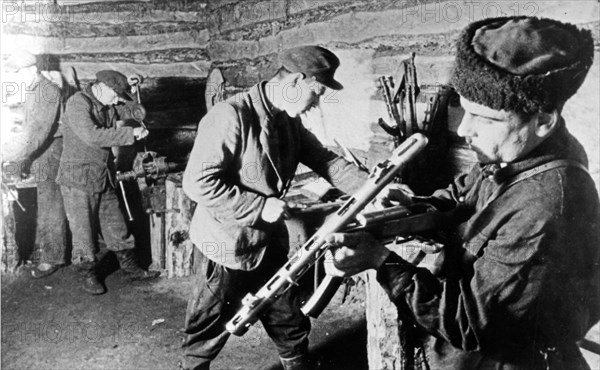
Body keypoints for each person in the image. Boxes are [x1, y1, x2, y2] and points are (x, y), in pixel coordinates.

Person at [324, 16, 599, 370]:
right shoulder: (514, 154)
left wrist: (381, 260)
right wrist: (412, 206)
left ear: (543, 121)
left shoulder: (545, 201)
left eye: (485, 118)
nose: (466, 130)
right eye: (464, 111)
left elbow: (469, 322)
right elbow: (460, 198)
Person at [181, 45, 368, 370]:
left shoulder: (287, 121)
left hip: (268, 243)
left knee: (288, 320)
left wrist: (374, 187)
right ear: (296, 81)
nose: (317, 103)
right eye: (317, 93)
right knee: (206, 329)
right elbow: (197, 183)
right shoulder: (230, 116)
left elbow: (327, 161)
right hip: (224, 244)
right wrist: (258, 207)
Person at [57, 70, 160, 295]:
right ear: (102, 87)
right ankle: (88, 274)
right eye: (115, 95)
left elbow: (130, 109)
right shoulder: (78, 104)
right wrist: (129, 133)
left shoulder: (107, 102)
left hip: (103, 176)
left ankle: (131, 269)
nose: (116, 101)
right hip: (78, 179)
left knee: (117, 225)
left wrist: (133, 97)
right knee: (84, 231)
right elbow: (93, 136)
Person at [2, 51, 68, 278]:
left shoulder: (46, 91)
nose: (13, 77)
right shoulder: (33, 90)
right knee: (44, 199)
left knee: (51, 203)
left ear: (31, 70)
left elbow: (35, 134)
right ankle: (45, 250)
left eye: (16, 72)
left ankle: (53, 257)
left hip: (52, 151)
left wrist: (6, 154)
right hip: (43, 151)